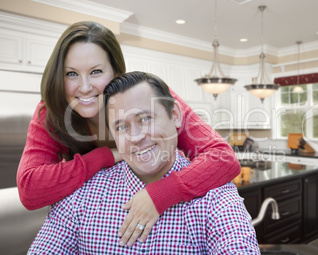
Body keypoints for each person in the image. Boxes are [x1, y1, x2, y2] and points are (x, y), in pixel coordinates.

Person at [17, 21, 240, 246]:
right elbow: (29, 189)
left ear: (116, 72)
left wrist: (161, 194)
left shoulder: (147, 96)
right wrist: (108, 155)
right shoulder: (52, 112)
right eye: (71, 74)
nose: (84, 87)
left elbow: (223, 157)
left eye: (96, 72)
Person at [27, 71, 259, 254]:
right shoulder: (82, 194)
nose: (136, 136)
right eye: (122, 126)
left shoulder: (216, 197)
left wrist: (163, 193)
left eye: (146, 118)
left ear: (175, 115)